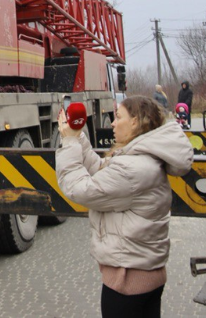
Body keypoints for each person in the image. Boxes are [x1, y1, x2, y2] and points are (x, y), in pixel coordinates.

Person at [55, 96, 193, 317]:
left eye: (118, 117)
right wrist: (78, 136)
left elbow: (79, 188)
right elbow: (103, 171)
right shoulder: (142, 158)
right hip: (145, 275)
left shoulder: (132, 168)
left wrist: (69, 142)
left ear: (136, 122)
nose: (112, 122)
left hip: (128, 282)